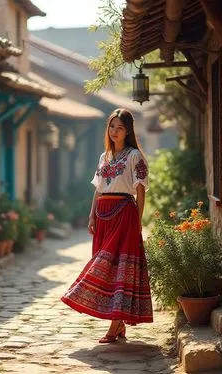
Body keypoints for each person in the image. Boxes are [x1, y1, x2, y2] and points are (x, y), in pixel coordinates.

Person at [61, 108, 153, 343]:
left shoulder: (134, 157)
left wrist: (139, 220)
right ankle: (119, 323)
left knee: (119, 267)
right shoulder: (104, 157)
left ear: (128, 131)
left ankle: (114, 325)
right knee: (107, 269)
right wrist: (92, 215)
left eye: (120, 127)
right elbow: (99, 189)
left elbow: (140, 190)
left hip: (124, 214)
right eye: (112, 126)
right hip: (103, 216)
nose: (114, 131)